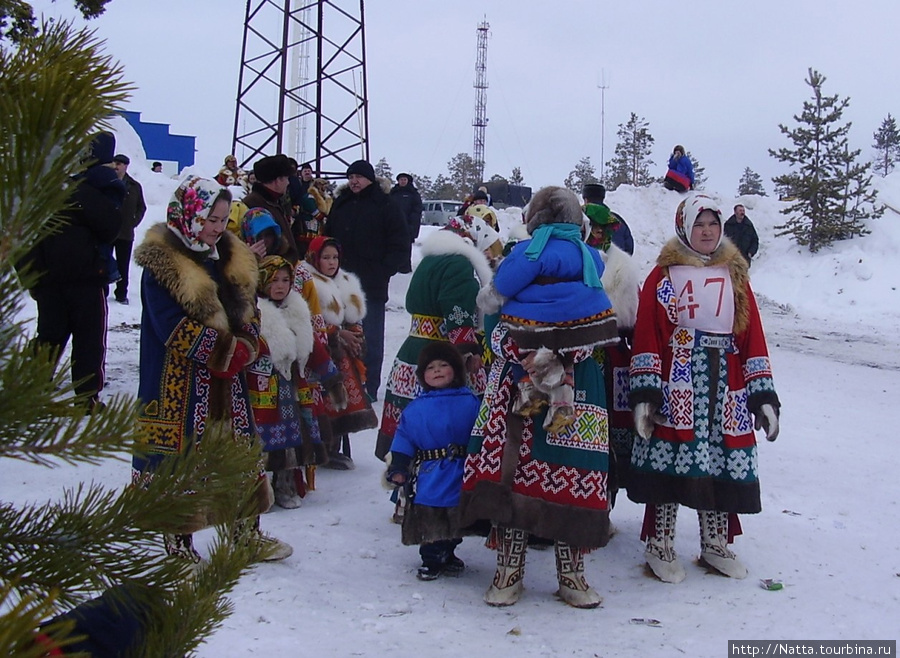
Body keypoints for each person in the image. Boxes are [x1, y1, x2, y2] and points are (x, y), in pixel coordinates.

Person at [131, 176, 291, 563]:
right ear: (188, 215)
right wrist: (223, 352)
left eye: (222, 220)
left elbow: (248, 307)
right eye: (210, 220)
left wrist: (246, 344)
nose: (217, 229)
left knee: (237, 452)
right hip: (177, 381)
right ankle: (177, 545)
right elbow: (171, 325)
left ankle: (244, 534)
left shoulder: (229, 258)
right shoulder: (162, 263)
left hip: (227, 380)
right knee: (177, 460)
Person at [628, 193, 781, 583]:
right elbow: (648, 335)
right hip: (678, 380)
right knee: (672, 456)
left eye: (713, 224)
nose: (708, 231)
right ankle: (660, 542)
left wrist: (761, 393)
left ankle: (715, 542)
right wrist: (646, 392)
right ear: (685, 228)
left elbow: (752, 337)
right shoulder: (663, 277)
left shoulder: (736, 274)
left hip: (724, 382)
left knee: (717, 459)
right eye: (700, 224)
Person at [477, 186, 619, 434]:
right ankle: (562, 400)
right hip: (579, 321)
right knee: (563, 356)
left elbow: (510, 279)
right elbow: (597, 272)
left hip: (535, 318)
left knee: (526, 342)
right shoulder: (588, 253)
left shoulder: (531, 250)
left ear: (535, 218)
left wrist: (492, 294)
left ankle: (530, 389)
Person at [375, 213, 498, 462]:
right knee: (446, 420)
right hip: (442, 353)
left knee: (411, 415)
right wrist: (468, 352)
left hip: (413, 350)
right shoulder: (458, 264)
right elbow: (456, 311)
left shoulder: (432, 259)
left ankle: (403, 467)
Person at [21, 131, 124, 412]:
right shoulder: (92, 190)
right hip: (87, 279)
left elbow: (24, 236)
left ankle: (27, 393)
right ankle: (86, 398)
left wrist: (32, 277)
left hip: (50, 280)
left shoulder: (47, 191)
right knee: (88, 341)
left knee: (49, 337)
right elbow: (111, 225)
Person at [249, 255, 341, 508]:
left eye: (285, 280)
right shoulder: (253, 313)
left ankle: (285, 486)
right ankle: (258, 492)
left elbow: (314, 349)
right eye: (274, 280)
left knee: (292, 438)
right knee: (263, 441)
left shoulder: (298, 309)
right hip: (262, 389)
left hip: (294, 387)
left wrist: (332, 378)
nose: (280, 286)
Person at [385, 342, 481, 581]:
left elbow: (481, 432)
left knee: (457, 516)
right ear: (422, 375)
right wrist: (399, 466)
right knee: (432, 515)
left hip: (461, 470)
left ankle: (448, 551)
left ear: (457, 371)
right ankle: (431, 557)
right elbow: (405, 436)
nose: (437, 371)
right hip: (431, 472)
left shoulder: (470, 402)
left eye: (444, 365)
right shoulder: (417, 408)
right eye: (431, 367)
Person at [324, 159, 410, 401]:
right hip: (339, 282)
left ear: (370, 179)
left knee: (369, 337)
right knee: (339, 334)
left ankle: (368, 386)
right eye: (350, 177)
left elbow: (400, 242)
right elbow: (327, 237)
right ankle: (342, 383)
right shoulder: (341, 203)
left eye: (359, 177)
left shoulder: (385, 204)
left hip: (370, 284)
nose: (354, 181)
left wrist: (385, 269)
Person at [301, 236, 378, 467]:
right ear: (315, 258)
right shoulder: (307, 281)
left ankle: (334, 445)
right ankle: (323, 446)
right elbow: (308, 319)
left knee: (342, 401)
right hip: (321, 353)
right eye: (326, 257)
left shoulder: (345, 280)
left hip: (344, 354)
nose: (331, 262)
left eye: (335, 257)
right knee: (325, 401)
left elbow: (353, 316)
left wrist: (355, 335)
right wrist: (336, 334)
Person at [582, 201, 642, 502]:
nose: (593, 234)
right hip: (580, 357)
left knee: (612, 433)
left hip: (613, 360)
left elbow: (634, 323)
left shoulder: (622, 269)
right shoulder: (571, 263)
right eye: (589, 228)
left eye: (598, 229)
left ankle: (605, 501)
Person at [243, 154, 300, 263]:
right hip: (272, 274)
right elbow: (265, 247)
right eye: (287, 178)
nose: (288, 183)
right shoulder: (254, 204)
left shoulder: (272, 202)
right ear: (278, 180)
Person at [111, 154, 147, 305]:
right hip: (107, 230)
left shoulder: (134, 186)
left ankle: (121, 293)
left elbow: (141, 207)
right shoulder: (108, 182)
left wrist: (133, 221)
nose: (116, 166)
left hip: (125, 232)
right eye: (114, 163)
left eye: (119, 164)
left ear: (126, 166)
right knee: (103, 260)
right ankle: (102, 289)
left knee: (123, 264)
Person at [582, 182, 634, 255]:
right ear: (602, 198)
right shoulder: (617, 220)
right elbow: (629, 248)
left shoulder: (581, 220)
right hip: (616, 264)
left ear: (586, 200)